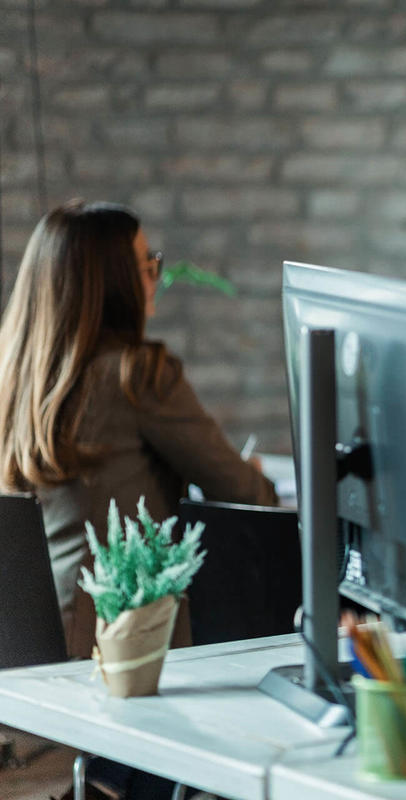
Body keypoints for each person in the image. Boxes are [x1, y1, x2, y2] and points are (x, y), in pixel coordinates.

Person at [0, 200, 277, 659]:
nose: (156, 277)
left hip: (30, 650)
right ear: (113, 286)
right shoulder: (138, 376)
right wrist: (252, 472)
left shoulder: (16, 376)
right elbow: (250, 495)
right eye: (146, 265)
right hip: (117, 644)